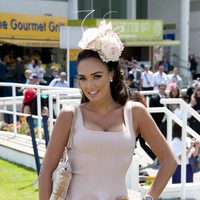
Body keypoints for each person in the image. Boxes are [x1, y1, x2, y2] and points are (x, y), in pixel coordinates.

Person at [39, 20, 177, 200]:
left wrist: (149, 198)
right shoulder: (70, 115)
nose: (89, 85)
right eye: (83, 78)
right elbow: (46, 173)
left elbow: (169, 161)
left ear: (111, 74)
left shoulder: (135, 113)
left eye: (97, 76)